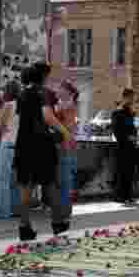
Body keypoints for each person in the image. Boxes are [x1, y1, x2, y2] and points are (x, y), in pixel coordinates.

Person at [13, 61, 69, 241]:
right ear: (43, 76)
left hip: (23, 143)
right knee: (49, 183)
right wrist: (65, 132)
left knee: (25, 186)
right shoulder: (43, 93)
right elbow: (47, 116)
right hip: (41, 144)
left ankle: (24, 226)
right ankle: (57, 222)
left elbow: (19, 120)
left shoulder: (21, 94)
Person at [0, 80, 21, 220]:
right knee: (16, 180)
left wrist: (4, 130)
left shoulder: (8, 105)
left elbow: (0, 126)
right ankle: (16, 209)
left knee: (4, 180)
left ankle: (4, 212)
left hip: (7, 144)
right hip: (19, 146)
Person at [54, 81, 80, 218]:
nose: (58, 90)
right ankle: (63, 207)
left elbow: (67, 125)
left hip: (66, 143)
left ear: (68, 91)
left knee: (65, 178)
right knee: (63, 177)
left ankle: (64, 208)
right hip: (65, 143)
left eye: (60, 88)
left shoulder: (67, 104)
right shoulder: (65, 103)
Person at [111, 88, 139, 206]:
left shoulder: (131, 113)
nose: (133, 100)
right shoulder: (117, 113)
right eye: (131, 98)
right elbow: (117, 132)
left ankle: (128, 195)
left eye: (133, 98)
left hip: (131, 147)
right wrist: (129, 137)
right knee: (121, 171)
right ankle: (120, 196)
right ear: (125, 97)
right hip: (122, 146)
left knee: (130, 172)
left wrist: (135, 136)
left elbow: (133, 128)